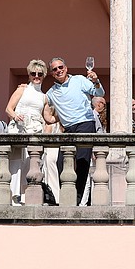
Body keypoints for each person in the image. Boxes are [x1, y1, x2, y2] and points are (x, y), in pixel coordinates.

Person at [43, 56, 104, 205]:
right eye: (55, 69)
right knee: (60, 163)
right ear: (52, 73)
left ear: (66, 68)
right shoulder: (51, 93)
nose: (59, 70)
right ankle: (66, 194)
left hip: (85, 123)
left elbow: (100, 94)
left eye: (61, 67)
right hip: (68, 129)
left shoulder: (79, 79)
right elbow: (44, 109)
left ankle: (76, 198)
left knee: (82, 162)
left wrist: (96, 81)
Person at [5, 59, 50, 204]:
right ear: (29, 75)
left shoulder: (44, 97)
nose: (36, 76)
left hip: (35, 131)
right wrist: (15, 116)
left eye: (40, 74)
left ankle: (25, 198)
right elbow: (8, 108)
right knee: (16, 164)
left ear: (44, 75)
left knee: (30, 165)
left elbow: (48, 117)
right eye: (33, 73)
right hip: (18, 129)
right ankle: (13, 198)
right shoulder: (22, 89)